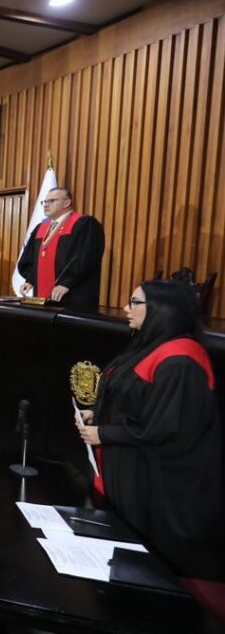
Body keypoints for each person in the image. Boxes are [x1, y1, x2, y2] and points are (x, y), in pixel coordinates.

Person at [76, 280, 221, 578]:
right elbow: (135, 401)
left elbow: (167, 428)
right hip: (134, 473)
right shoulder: (151, 346)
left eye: (134, 302)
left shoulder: (181, 360)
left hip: (164, 489)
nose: (125, 308)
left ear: (161, 310)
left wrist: (105, 433)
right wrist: (98, 414)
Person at [16, 186, 105, 307]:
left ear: (67, 203)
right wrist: (30, 279)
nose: (46, 205)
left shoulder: (84, 224)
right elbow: (30, 257)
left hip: (72, 296)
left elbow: (85, 258)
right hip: (42, 298)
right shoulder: (40, 228)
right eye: (45, 201)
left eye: (52, 201)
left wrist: (66, 283)